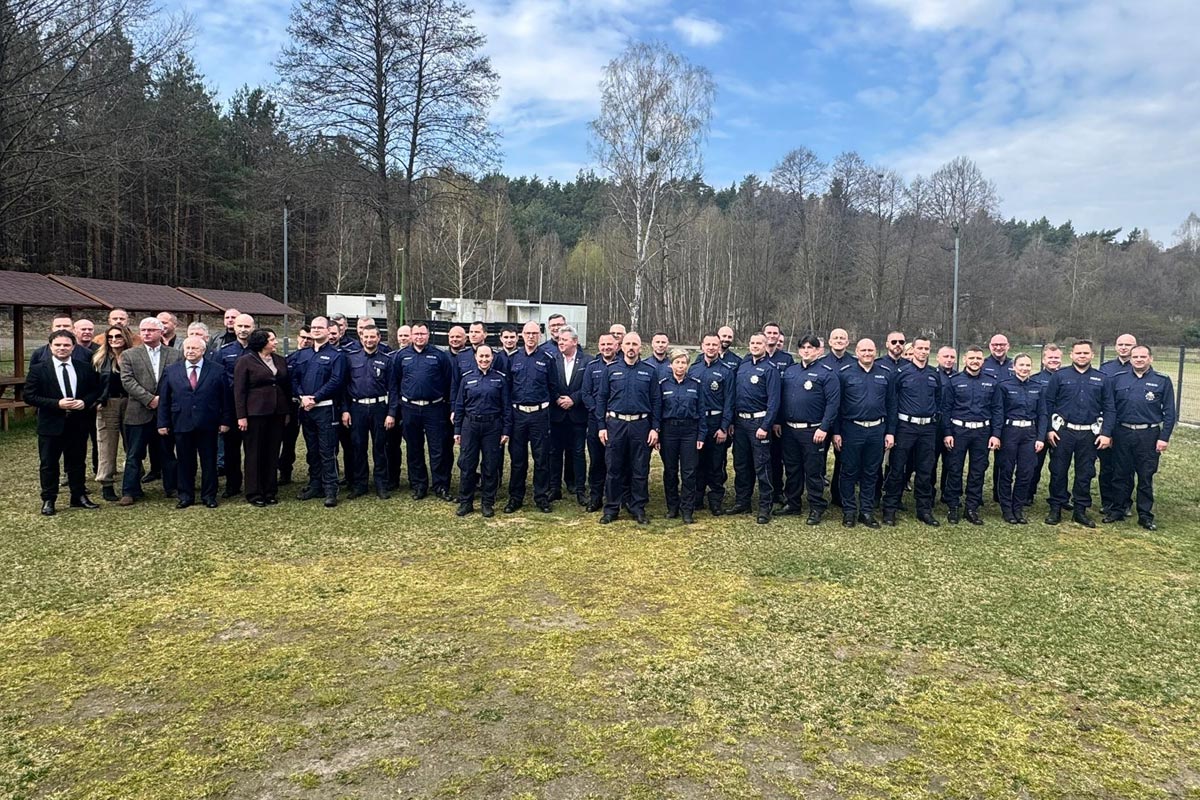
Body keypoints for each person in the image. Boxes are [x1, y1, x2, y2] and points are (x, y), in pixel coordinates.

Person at [25, 331, 103, 515]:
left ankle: (78, 496)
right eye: (58, 345)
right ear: (50, 346)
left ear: (73, 347)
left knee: (77, 462)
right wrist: (56, 404)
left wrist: (85, 402)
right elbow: (29, 395)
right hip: (51, 424)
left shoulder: (84, 367)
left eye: (66, 345)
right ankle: (49, 499)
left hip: (77, 423)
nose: (62, 348)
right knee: (49, 463)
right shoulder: (39, 369)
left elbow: (95, 390)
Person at [1042, 340, 1114, 528]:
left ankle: (1080, 510)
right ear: (1071, 355)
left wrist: (1106, 433)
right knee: (1058, 471)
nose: (1082, 356)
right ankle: (1056, 508)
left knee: (1085, 472)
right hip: (1063, 432)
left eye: (1085, 353)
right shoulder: (1059, 376)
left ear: (1092, 355)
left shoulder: (1102, 379)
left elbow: (1109, 408)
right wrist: (1050, 429)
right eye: (1078, 353)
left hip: (1089, 434)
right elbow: (1048, 404)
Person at [1107, 345, 1174, 530]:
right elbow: (1111, 409)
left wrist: (1164, 437)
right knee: (1120, 473)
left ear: (1150, 358)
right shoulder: (1117, 379)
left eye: (1142, 356)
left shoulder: (1162, 381)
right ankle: (1118, 509)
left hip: (1149, 434)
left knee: (1145, 476)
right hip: (1122, 432)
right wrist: (1109, 433)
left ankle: (1145, 515)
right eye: (1135, 356)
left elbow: (1170, 413)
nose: (1138, 359)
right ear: (1130, 358)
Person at [159, 335, 229, 509]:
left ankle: (209, 496)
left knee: (209, 461)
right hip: (181, 422)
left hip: (208, 423)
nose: (190, 351)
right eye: (187, 348)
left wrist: (225, 420)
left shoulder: (217, 370)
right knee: (184, 461)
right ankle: (186, 495)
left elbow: (225, 398)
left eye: (194, 348)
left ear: (203, 351)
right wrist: (162, 422)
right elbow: (164, 400)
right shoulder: (171, 370)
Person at [775, 333, 839, 525]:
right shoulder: (790, 371)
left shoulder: (827, 373)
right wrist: (778, 421)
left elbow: (833, 404)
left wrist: (824, 428)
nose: (806, 351)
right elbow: (781, 399)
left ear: (819, 350)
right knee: (793, 468)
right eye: (803, 347)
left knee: (813, 470)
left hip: (814, 431)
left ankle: (817, 506)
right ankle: (792, 503)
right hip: (789, 430)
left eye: (810, 348)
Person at [386, 322, 454, 501]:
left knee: (438, 449)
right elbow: (395, 384)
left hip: (435, 408)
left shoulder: (440, 355)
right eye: (416, 334)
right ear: (411, 335)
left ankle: (440, 486)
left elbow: (449, 382)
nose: (419, 337)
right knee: (414, 448)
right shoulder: (401, 356)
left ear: (428, 335)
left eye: (422, 334)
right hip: (410, 408)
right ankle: (419, 485)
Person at [597, 332, 660, 525]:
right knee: (614, 468)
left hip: (641, 425)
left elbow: (656, 401)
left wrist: (655, 428)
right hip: (616, 425)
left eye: (635, 344)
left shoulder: (650, 371)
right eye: (628, 344)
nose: (631, 347)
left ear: (640, 348)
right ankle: (612, 508)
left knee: (640, 468)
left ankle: (637, 507)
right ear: (621, 346)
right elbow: (601, 398)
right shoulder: (611, 369)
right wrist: (601, 426)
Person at [119, 317, 182, 505]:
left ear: (161, 332)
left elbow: (179, 379)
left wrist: (162, 401)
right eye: (143, 330)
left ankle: (172, 487)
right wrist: (149, 399)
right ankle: (130, 490)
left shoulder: (175, 355)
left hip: (165, 413)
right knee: (134, 453)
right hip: (138, 411)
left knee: (167, 452)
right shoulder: (130, 355)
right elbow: (127, 381)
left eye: (151, 330)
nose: (146, 333)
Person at [882, 336, 941, 526]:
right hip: (905, 427)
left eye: (927, 348)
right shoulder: (900, 373)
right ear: (912, 350)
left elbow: (938, 401)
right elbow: (892, 402)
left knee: (925, 470)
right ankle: (890, 509)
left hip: (928, 428)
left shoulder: (934, 374)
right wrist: (892, 430)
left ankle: (924, 510)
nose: (923, 351)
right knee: (897, 468)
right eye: (920, 348)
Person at [834, 339, 892, 528]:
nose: (867, 353)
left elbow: (892, 405)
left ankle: (866, 511)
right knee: (849, 471)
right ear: (856, 352)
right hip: (852, 429)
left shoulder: (885, 374)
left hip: (877, 429)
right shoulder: (845, 374)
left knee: (871, 471)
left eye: (870, 350)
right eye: (863, 350)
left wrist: (890, 432)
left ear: (876, 352)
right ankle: (849, 511)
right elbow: (837, 406)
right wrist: (836, 432)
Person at [506, 321, 562, 513]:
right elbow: (507, 387)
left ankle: (541, 497)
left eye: (534, 333)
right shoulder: (512, 359)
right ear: (522, 335)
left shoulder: (548, 358)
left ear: (539, 336)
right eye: (527, 333)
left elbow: (553, 387)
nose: (531, 336)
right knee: (517, 459)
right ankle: (516, 497)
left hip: (540, 415)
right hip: (518, 415)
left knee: (541, 458)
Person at [940, 346, 999, 525]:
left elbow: (997, 410)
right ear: (965, 359)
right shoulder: (954, 381)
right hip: (959, 431)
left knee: (978, 470)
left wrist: (995, 434)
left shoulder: (992, 382)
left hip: (982, 432)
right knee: (954, 468)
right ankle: (953, 506)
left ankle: (972, 507)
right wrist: (947, 432)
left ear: (983, 361)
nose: (975, 361)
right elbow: (946, 408)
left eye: (978, 358)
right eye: (971, 358)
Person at [292, 317, 346, 507]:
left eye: (319, 328)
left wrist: (315, 398)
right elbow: (294, 378)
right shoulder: (302, 354)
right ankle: (315, 485)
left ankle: (331, 489)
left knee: (327, 450)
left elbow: (336, 381)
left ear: (328, 330)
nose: (315, 330)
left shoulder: (336, 355)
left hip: (325, 409)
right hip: (305, 409)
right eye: (313, 328)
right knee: (312, 450)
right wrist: (301, 396)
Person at [454, 345, 512, 517]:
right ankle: (466, 502)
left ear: (492, 358)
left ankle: (487, 503)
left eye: (487, 356)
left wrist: (506, 430)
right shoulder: (467, 378)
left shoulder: (500, 379)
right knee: (467, 465)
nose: (484, 359)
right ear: (475, 358)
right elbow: (459, 406)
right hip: (470, 426)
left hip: (492, 427)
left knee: (490, 466)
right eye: (481, 356)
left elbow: (506, 407)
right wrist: (457, 430)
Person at [728, 333, 780, 524]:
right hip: (740, 423)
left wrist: (766, 425)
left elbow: (774, 401)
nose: (755, 345)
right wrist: (733, 421)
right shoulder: (743, 366)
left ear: (766, 345)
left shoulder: (770, 369)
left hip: (759, 423)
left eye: (759, 343)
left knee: (762, 466)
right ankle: (743, 502)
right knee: (741, 464)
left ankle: (765, 506)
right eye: (752, 342)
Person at [235, 329, 290, 507]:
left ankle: (270, 490)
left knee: (272, 452)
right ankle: (254, 492)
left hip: (277, 413)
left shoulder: (280, 360)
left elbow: (285, 386)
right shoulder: (245, 361)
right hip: (255, 414)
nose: (275, 342)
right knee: (254, 452)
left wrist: (287, 411)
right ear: (262, 342)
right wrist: (241, 416)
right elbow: (239, 391)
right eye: (272, 339)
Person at [991, 354, 1046, 524]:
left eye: (1028, 365)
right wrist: (996, 435)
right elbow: (998, 412)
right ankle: (1007, 509)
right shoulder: (1003, 386)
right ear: (1013, 367)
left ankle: (1018, 508)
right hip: (1009, 432)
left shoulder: (1038, 387)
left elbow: (1043, 414)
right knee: (1006, 471)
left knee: (1026, 472)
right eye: (1021, 365)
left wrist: (1040, 437)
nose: (1024, 368)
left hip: (1029, 433)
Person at [342, 324, 391, 499]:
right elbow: (344, 387)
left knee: (380, 448)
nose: (369, 340)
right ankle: (360, 484)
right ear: (361, 338)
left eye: (372, 337)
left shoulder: (386, 360)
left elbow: (393, 388)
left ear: (379, 338)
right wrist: (345, 410)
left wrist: (391, 413)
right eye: (366, 337)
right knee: (358, 447)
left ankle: (381, 485)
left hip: (379, 408)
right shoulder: (351, 359)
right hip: (357, 408)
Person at [656, 349, 705, 524]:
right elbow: (658, 411)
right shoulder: (663, 384)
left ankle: (687, 510)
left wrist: (701, 435)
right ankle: (672, 507)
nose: (680, 366)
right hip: (669, 431)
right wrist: (658, 434)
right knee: (670, 471)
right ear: (671, 364)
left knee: (689, 472)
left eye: (683, 362)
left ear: (688, 365)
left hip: (690, 432)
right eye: (677, 362)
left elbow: (702, 411)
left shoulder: (696, 384)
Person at [689, 334, 734, 516]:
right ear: (702, 346)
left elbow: (729, 402)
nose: (711, 347)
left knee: (716, 464)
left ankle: (716, 501)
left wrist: (724, 427)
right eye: (707, 344)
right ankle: (697, 499)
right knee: (696, 463)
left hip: (716, 421)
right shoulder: (693, 370)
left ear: (719, 347)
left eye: (714, 344)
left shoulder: (726, 371)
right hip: (698, 423)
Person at [1098, 333, 1138, 518]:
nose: (1124, 348)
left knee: (1126, 467)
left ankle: (1124, 502)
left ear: (1135, 346)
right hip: (1107, 424)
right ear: (1115, 346)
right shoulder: (1106, 368)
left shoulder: (1139, 367)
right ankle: (1107, 501)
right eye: (1120, 344)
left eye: (1128, 345)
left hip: (1127, 425)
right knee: (1106, 466)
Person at [92, 325, 133, 502]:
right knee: (106, 443)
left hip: (130, 402)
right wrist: (95, 401)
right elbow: (92, 382)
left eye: (118, 336)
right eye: (110, 337)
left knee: (131, 442)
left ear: (125, 338)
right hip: (108, 402)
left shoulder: (133, 356)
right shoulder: (99, 358)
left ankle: (132, 480)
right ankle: (106, 483)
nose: (114, 340)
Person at [217, 313, 255, 498]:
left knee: (252, 448)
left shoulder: (258, 350)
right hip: (231, 406)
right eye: (240, 326)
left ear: (253, 328)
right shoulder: (224, 351)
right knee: (231, 448)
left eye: (247, 326)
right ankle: (233, 484)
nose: (243, 330)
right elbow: (218, 380)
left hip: (254, 406)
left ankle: (252, 484)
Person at [550, 325, 590, 504]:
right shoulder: (552, 360)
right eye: (559, 340)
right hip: (557, 415)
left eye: (564, 340)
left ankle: (580, 489)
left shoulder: (587, 361)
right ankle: (554, 488)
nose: (560, 343)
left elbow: (589, 387)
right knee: (555, 453)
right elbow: (548, 383)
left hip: (577, 415)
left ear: (575, 341)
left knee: (578, 453)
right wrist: (558, 398)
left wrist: (573, 399)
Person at [581, 333, 619, 512]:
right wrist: (599, 413)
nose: (606, 347)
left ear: (617, 346)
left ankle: (618, 497)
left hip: (617, 422)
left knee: (616, 461)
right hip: (596, 421)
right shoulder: (592, 367)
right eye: (603, 344)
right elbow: (585, 394)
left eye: (609, 344)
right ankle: (595, 497)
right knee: (596, 460)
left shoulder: (622, 366)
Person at [819, 327, 853, 508]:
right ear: (829, 341)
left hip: (845, 419)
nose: (839, 340)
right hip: (823, 419)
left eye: (843, 338)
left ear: (848, 342)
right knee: (818, 457)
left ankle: (838, 495)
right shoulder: (820, 362)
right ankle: (816, 495)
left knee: (842, 459)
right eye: (836, 338)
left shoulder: (855, 363)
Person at [1027, 343, 1062, 509]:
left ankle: (1059, 497)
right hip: (1039, 429)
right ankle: (1028, 494)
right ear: (1043, 360)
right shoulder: (1034, 380)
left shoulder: (1066, 378)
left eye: (1056, 358)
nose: (1053, 360)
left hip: (1061, 430)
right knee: (1034, 464)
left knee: (1059, 466)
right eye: (1050, 358)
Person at [279, 326, 311, 485]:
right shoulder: (288, 359)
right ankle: (285, 472)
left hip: (310, 404)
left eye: (309, 338)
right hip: (291, 405)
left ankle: (314, 473)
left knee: (312, 440)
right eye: (303, 337)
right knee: (288, 440)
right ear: (297, 337)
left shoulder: (313, 358)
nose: (306, 341)